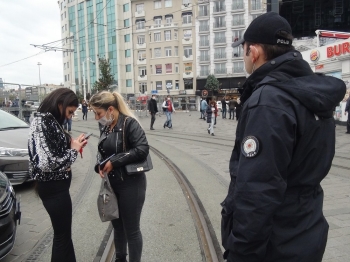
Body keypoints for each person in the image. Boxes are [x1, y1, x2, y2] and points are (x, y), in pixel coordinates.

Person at [221, 12, 346, 262]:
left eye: (243, 50)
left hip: (274, 243)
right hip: (305, 230)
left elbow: (258, 189)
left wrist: (241, 251)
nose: (243, 56)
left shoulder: (268, 101)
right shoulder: (311, 93)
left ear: (254, 52)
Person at [28, 88, 87, 262]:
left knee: (64, 236)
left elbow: (51, 153)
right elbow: (46, 163)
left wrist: (71, 145)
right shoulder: (43, 122)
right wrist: (74, 152)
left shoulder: (48, 121)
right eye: (69, 112)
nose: (69, 116)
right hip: (54, 189)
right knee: (62, 237)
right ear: (60, 104)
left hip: (56, 188)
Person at [89, 91, 149, 262]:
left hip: (131, 184)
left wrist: (115, 162)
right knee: (117, 226)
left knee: (131, 229)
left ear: (110, 109)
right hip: (112, 184)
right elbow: (103, 151)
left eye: (98, 113)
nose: (96, 117)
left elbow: (142, 149)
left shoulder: (130, 123)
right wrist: (99, 165)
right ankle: (120, 259)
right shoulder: (106, 125)